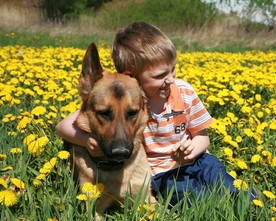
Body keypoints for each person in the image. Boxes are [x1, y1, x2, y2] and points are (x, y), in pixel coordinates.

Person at [56, 21, 256, 207]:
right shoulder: (129, 96)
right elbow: (64, 125)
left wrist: (192, 150)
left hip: (200, 160)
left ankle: (251, 202)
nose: (170, 80)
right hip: (163, 173)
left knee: (224, 181)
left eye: (173, 70)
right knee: (192, 195)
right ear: (131, 77)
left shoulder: (181, 91)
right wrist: (85, 140)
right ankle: (224, 207)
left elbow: (202, 136)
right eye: (160, 75)